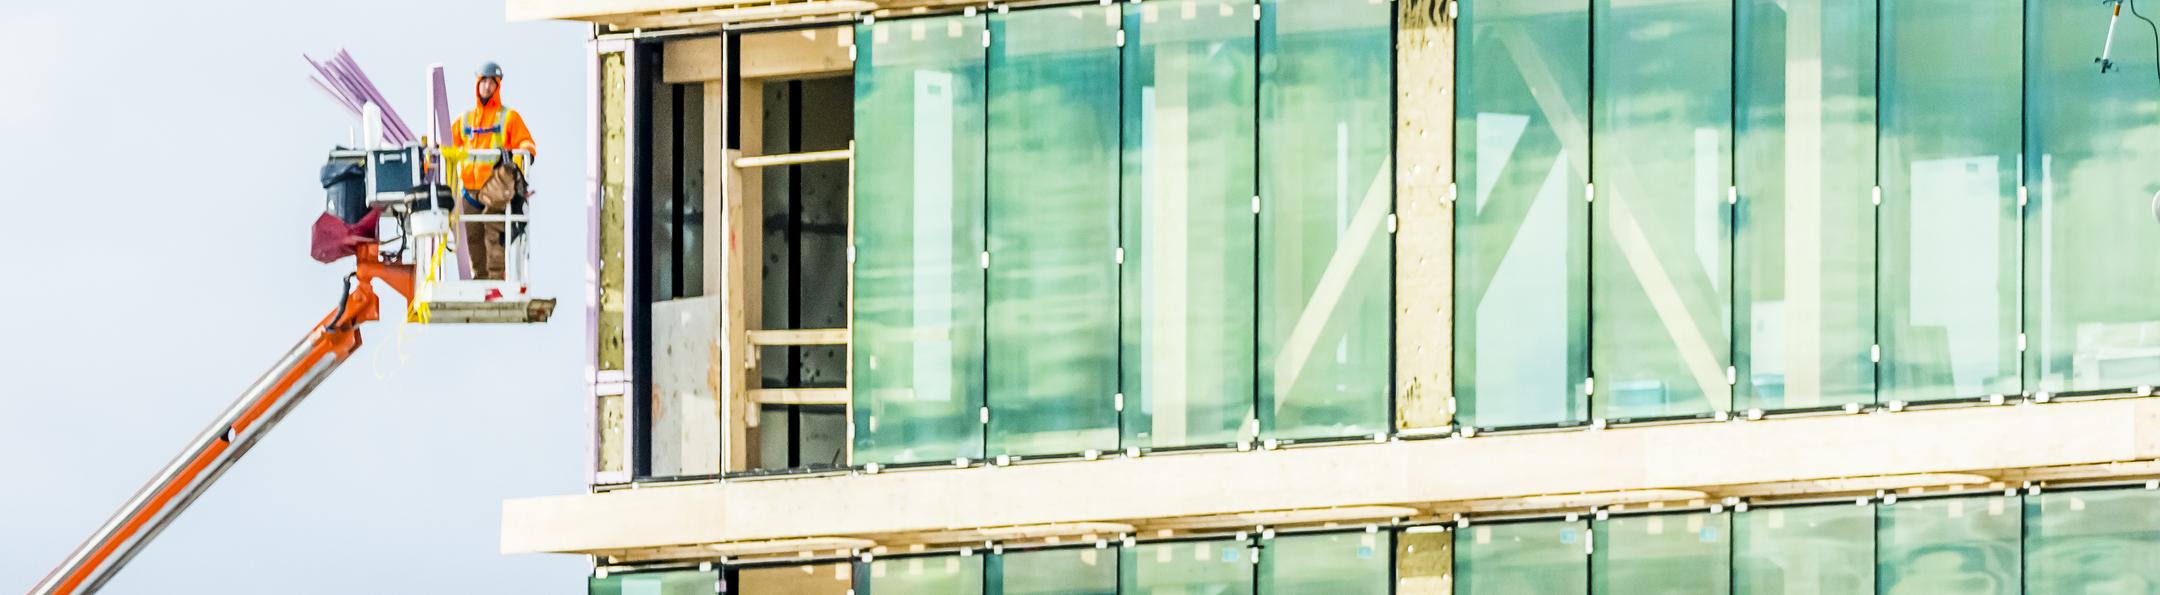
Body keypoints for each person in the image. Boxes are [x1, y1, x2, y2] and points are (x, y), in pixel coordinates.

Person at [451, 61, 537, 281]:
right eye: (484, 81)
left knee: (494, 234)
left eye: (492, 82)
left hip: (495, 188)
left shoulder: (509, 117)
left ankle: (496, 281)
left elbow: (527, 144)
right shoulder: (465, 120)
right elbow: (446, 142)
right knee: (472, 237)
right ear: (477, 83)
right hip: (470, 190)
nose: (487, 87)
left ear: (498, 86)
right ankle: (479, 281)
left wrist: (516, 163)